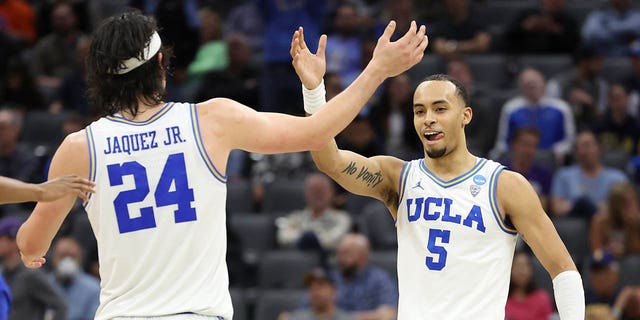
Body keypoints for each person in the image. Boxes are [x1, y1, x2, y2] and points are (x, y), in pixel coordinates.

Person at [15, 11, 427, 320]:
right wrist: (373, 71)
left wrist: (33, 254)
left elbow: (31, 245)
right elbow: (318, 132)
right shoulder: (211, 120)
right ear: (161, 64)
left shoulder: (79, 147)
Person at [290, 33, 584, 319]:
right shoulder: (398, 177)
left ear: (465, 115)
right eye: (420, 111)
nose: (428, 118)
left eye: (440, 109)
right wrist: (314, 92)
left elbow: (563, 268)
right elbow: (330, 161)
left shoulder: (505, 186)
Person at [491, 68, 575, 162]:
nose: (531, 88)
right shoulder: (511, 108)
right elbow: (503, 142)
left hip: (551, 157)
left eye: (534, 84)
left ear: (543, 84)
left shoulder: (561, 108)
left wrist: (557, 152)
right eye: (527, 85)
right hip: (518, 157)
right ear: (521, 87)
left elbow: (569, 140)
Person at [0, 217, 67, 320]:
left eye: (1, 239)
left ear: (13, 241)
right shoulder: (2, 274)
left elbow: (60, 306)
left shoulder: (31, 276)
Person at [550, 130, 628, 219]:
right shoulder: (563, 175)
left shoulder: (617, 177)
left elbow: (623, 208)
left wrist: (573, 205)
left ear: (599, 148)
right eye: (579, 147)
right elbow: (557, 208)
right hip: (574, 227)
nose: (584, 151)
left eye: (587, 145)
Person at [277, 173, 351, 252]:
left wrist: (310, 237)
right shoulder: (296, 217)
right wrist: (305, 238)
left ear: (332, 193)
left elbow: (335, 240)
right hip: (298, 258)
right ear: (306, 193)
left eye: (322, 190)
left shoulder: (342, 218)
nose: (318, 195)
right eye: (313, 190)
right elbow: (283, 237)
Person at [331, 233, 398, 320]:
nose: (341, 258)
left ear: (363, 256)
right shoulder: (333, 278)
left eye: (347, 253)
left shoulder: (379, 279)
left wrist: (350, 318)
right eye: (339, 254)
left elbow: (388, 314)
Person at [48, 237, 100, 320]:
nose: (67, 261)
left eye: (72, 256)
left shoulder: (94, 289)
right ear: (54, 258)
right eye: (62, 256)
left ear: (80, 258)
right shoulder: (45, 285)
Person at [279, 268, 356, 320]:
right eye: (310, 285)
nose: (314, 289)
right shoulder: (297, 318)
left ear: (333, 290)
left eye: (320, 284)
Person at [590, 182, 640, 258]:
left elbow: (637, 250)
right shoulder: (600, 221)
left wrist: (632, 226)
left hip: (631, 262)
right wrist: (608, 250)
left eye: (634, 201)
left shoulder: (637, 222)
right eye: (627, 204)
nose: (632, 207)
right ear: (616, 205)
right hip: (607, 262)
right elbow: (596, 253)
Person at [505, 250, 553, 320]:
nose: (522, 270)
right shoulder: (501, 300)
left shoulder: (542, 299)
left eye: (526, 265)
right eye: (518, 265)